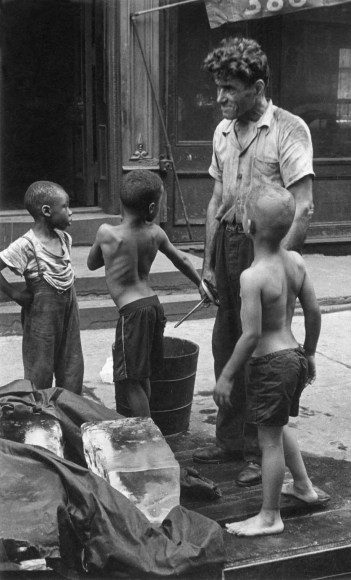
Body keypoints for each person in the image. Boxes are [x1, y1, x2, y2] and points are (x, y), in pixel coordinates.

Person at [193, 37, 315, 488]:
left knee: (260, 352)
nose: (220, 98)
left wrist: (281, 265)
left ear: (257, 86)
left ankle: (255, 449)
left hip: (267, 250)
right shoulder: (223, 131)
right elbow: (216, 200)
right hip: (228, 246)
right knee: (227, 340)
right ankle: (228, 440)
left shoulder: (288, 129)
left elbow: (302, 207)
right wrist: (207, 264)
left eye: (229, 89)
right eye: (217, 88)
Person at [214, 183, 321, 536]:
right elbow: (314, 311)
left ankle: (270, 515)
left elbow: (251, 335)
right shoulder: (296, 262)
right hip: (293, 356)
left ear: (248, 227)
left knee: (268, 441)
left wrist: (227, 374)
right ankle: (302, 485)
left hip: (271, 364)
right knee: (280, 426)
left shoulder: (252, 276)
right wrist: (309, 353)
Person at [87, 169, 202, 417]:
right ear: (151, 208)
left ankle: (147, 432)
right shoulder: (155, 233)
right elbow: (181, 259)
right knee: (143, 374)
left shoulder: (107, 233)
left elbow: (91, 263)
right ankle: (145, 424)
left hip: (132, 313)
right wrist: (200, 284)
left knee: (129, 380)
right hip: (152, 305)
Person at [0, 181, 84, 393]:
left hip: (68, 313)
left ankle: (69, 412)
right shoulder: (26, 245)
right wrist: (16, 294)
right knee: (40, 367)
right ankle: (41, 418)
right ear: (46, 211)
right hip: (41, 317)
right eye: (65, 207)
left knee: (72, 363)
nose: (70, 213)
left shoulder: (65, 239)